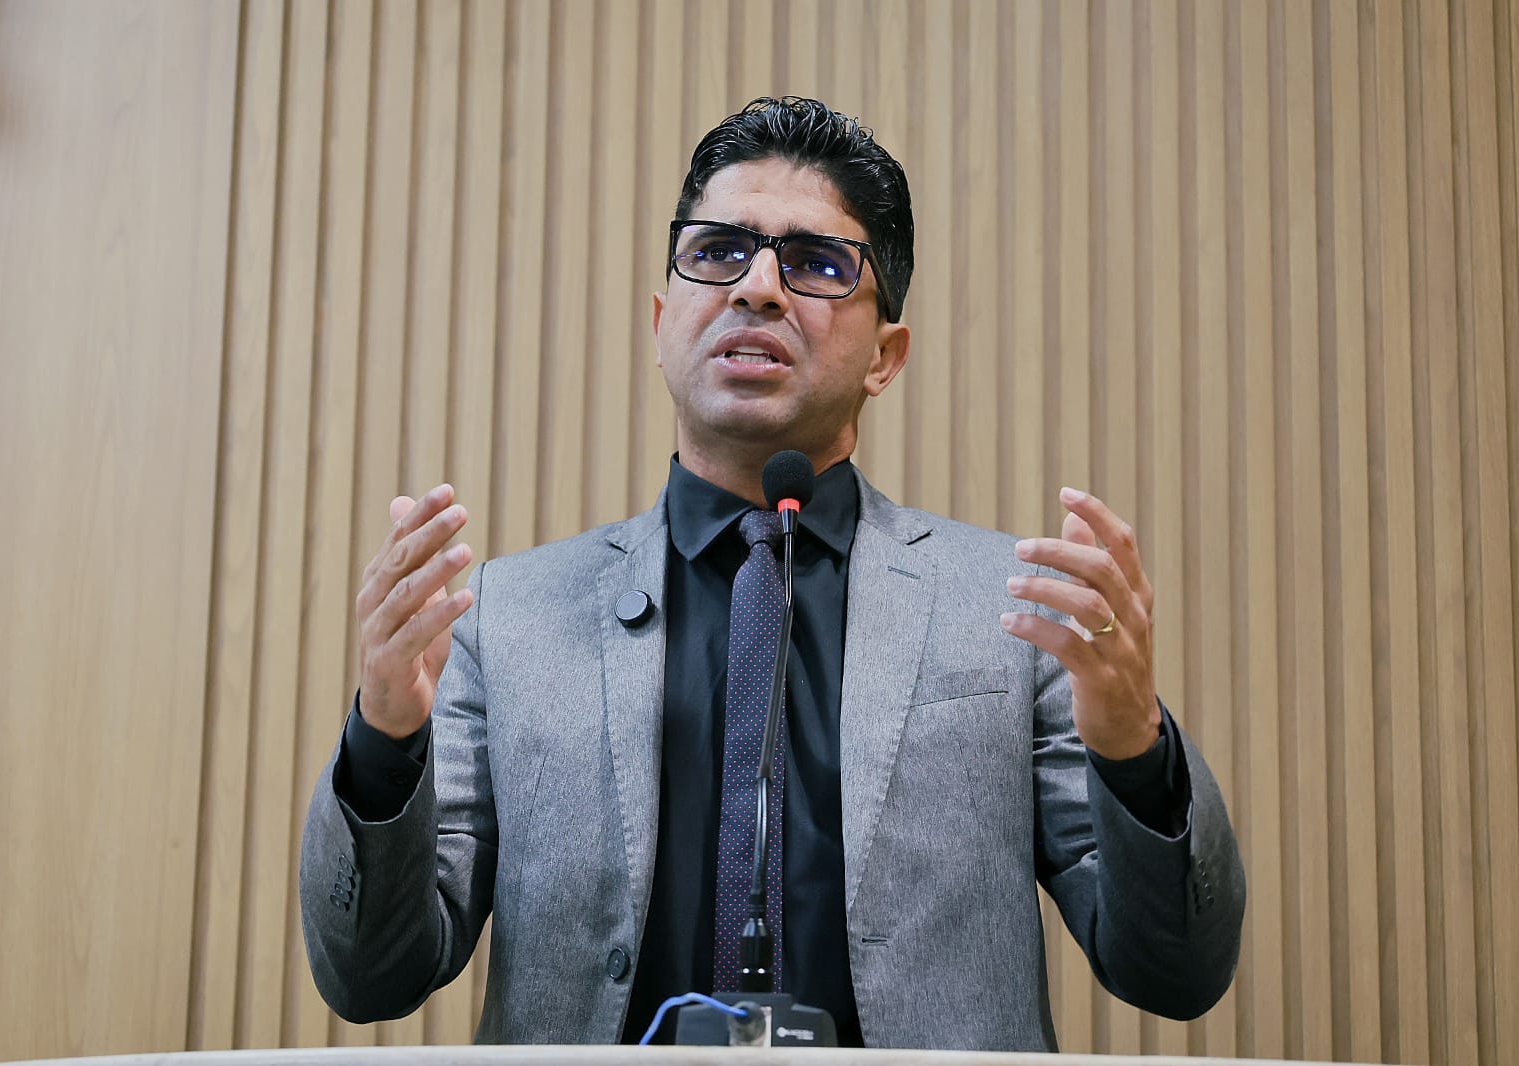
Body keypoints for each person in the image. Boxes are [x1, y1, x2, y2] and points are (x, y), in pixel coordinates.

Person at [299, 96, 1244, 1051]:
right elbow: (372, 976)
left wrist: (1134, 748)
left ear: (886, 356)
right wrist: (385, 739)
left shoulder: (1011, 610)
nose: (756, 288)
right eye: (718, 251)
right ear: (662, 324)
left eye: (817, 264)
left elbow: (1175, 970)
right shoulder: (507, 618)